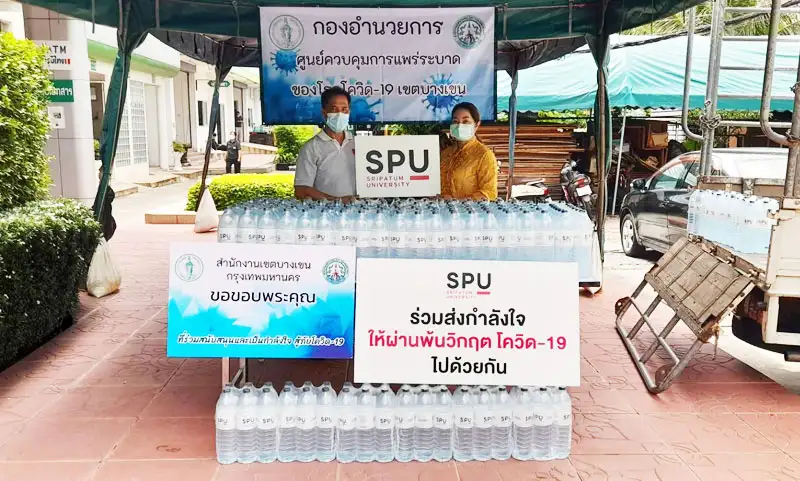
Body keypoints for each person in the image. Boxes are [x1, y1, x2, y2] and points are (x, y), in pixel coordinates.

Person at [294, 86, 357, 202]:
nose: (340, 114)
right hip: (325, 211)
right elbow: (301, 190)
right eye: (334, 109)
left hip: (360, 210)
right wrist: (337, 201)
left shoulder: (358, 144)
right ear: (324, 113)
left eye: (344, 109)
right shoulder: (311, 148)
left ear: (349, 112)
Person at [440, 102, 498, 201]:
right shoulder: (445, 153)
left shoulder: (484, 155)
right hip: (440, 209)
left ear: (476, 125)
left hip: (470, 210)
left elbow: (489, 193)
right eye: (455, 121)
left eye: (465, 121)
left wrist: (456, 201)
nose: (459, 126)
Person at [97, 166, 116, 241]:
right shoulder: (102, 187)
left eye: (100, 172)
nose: (99, 174)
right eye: (99, 172)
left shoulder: (107, 190)